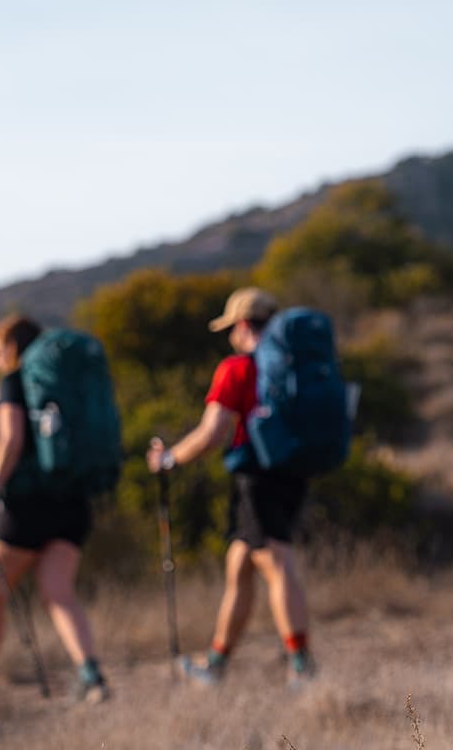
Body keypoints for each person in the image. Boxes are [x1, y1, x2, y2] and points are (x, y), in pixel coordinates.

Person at [146, 287, 315, 686]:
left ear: (242, 326)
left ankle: (302, 665)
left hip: (256, 478)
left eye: (230, 329)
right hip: (293, 473)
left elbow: (212, 433)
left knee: (276, 564)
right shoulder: (294, 365)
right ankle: (217, 664)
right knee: (239, 563)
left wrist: (169, 459)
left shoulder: (237, 369)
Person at [0, 314, 109, 703]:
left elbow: (12, 437)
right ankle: (92, 677)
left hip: (27, 508)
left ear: (11, 349)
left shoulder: (13, 383)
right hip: (74, 500)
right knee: (59, 592)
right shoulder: (65, 388)